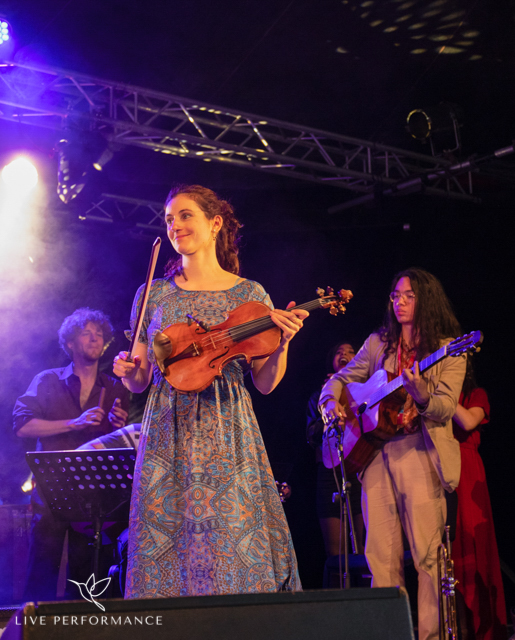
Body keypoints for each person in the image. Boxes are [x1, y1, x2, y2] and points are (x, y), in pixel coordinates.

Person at [112, 184, 307, 598]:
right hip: (167, 432)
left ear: (215, 223)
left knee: (230, 546)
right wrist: (126, 371)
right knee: (167, 545)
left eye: (185, 216)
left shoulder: (250, 294)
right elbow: (139, 379)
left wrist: (283, 343)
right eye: (169, 219)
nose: (175, 226)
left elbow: (265, 383)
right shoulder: (153, 294)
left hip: (228, 431)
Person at [319, 268, 465, 640]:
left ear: (426, 299)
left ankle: (431, 635)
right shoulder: (378, 344)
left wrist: (422, 395)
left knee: (428, 556)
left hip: (419, 451)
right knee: (380, 557)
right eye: (396, 295)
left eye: (408, 296)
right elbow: (340, 379)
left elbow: (446, 407)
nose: (399, 302)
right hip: (375, 455)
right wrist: (330, 403)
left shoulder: (449, 349)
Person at [13, 307, 130, 601]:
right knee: (42, 569)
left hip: (93, 493)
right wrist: (74, 423)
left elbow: (119, 441)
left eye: (99, 334)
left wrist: (119, 426)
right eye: (86, 333)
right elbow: (22, 426)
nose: (94, 338)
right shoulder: (47, 380)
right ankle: (34, 622)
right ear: (70, 342)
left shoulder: (116, 387)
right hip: (51, 488)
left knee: (85, 579)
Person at [451, 360, 508, 640]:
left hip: (467, 470)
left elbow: (468, 421)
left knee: (473, 543)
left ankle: (481, 628)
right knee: (448, 551)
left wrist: (439, 394)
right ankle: (455, 627)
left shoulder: (475, 394)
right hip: (439, 468)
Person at [306, 341, 365, 557]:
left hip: (359, 468)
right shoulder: (319, 396)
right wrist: (328, 418)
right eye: (339, 352)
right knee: (335, 554)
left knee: (364, 548)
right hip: (329, 472)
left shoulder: (363, 391)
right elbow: (311, 435)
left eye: (350, 352)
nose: (344, 354)